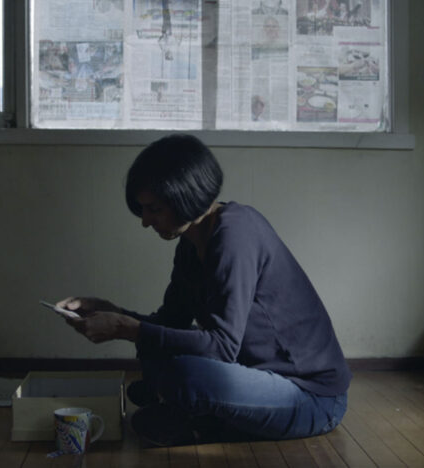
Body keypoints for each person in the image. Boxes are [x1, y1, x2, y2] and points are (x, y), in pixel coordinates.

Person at [57, 134, 351, 446]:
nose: (145, 222)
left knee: (185, 375)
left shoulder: (236, 234)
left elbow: (222, 347)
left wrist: (126, 329)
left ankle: (193, 414)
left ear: (186, 199)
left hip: (311, 397)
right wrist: (113, 312)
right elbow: (170, 322)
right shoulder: (189, 244)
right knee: (157, 348)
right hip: (250, 374)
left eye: (154, 209)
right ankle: (191, 410)